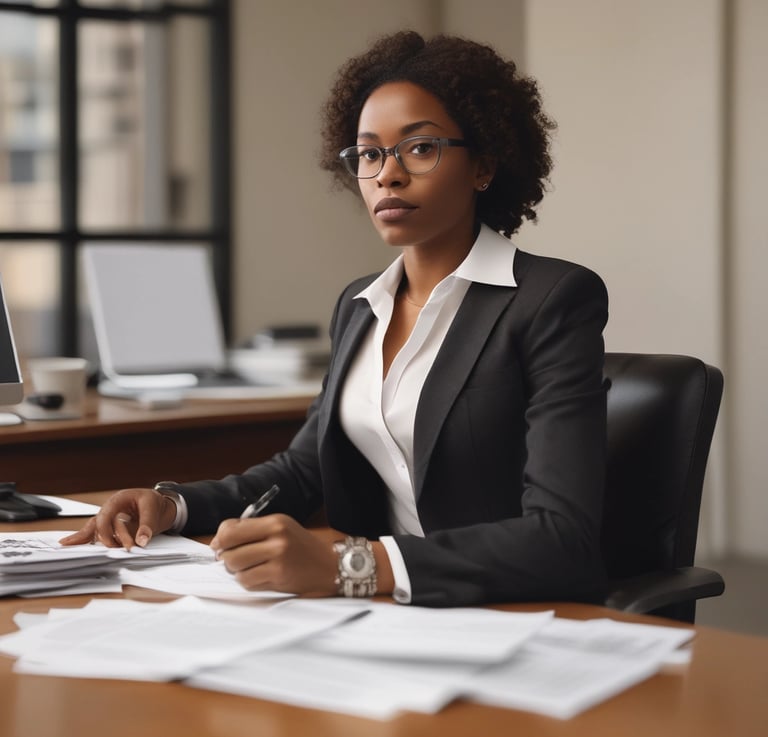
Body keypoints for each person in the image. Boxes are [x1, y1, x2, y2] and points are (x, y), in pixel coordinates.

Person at [63, 30, 609, 607]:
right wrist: (172, 505)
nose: (387, 176)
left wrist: (346, 566)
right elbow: (303, 472)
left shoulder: (552, 298)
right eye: (370, 153)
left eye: (420, 148)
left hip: (502, 611)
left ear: (484, 166)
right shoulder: (359, 305)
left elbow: (562, 538)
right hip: (380, 615)